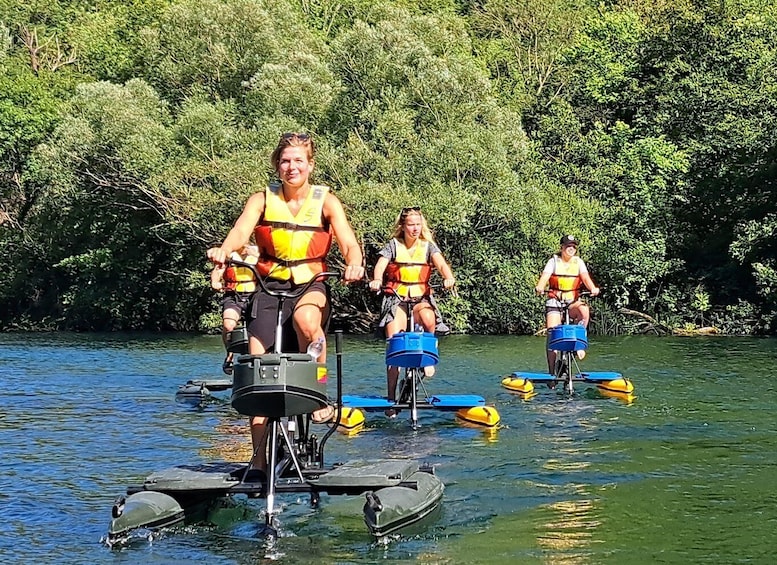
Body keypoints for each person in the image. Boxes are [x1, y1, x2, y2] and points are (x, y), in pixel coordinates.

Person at [206, 132, 365, 474]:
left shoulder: (327, 202)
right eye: (285, 161)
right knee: (258, 370)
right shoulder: (261, 200)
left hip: (311, 283)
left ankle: (318, 394)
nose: (291, 167)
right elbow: (239, 233)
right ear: (277, 166)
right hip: (269, 285)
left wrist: (354, 262)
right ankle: (260, 465)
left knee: (308, 322)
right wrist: (224, 250)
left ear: (310, 164)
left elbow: (350, 243)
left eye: (298, 160)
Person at [368, 207, 456, 417]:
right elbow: (380, 265)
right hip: (396, 299)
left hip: (420, 299)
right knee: (394, 340)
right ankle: (391, 398)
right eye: (410, 225)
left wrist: (448, 277)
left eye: (418, 224)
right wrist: (377, 279)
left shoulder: (428, 247)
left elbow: (442, 265)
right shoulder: (393, 245)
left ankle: (428, 359)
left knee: (428, 317)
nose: (415, 229)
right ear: (403, 226)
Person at [535, 234, 600, 373]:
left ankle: (579, 344)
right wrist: (540, 286)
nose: (571, 249)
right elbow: (544, 277)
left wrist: (592, 288)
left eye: (573, 247)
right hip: (555, 300)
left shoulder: (578, 262)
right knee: (552, 334)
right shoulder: (553, 261)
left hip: (572, 301)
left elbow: (586, 278)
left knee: (584, 311)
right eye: (568, 246)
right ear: (562, 247)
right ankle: (552, 371)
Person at [210, 244, 259, 374]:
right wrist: (215, 281)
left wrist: (256, 256)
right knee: (228, 325)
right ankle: (230, 355)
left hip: (255, 295)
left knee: (258, 329)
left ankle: (257, 361)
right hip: (233, 295)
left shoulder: (258, 252)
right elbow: (218, 270)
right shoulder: (228, 254)